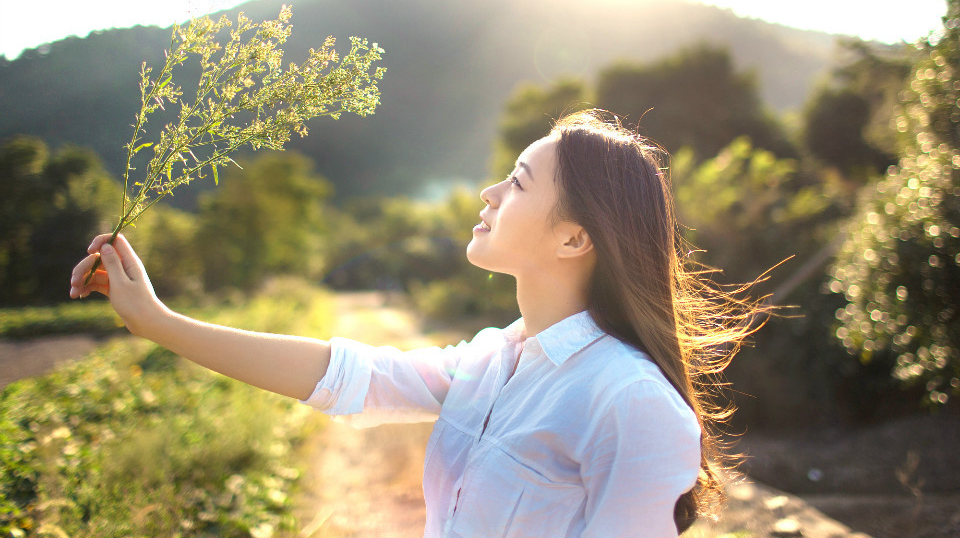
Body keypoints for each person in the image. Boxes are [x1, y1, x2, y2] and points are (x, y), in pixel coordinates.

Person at [70, 110, 764, 538]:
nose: (490, 192)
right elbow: (350, 375)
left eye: (519, 182)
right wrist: (159, 322)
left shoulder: (630, 401)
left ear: (574, 239)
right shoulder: (492, 360)